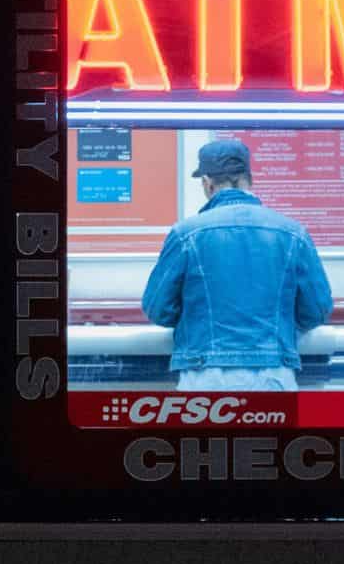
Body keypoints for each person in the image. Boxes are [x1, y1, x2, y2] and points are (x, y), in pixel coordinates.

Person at [142, 139, 333, 392]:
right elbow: (317, 310)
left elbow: (158, 309)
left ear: (207, 183)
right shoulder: (293, 233)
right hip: (274, 374)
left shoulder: (185, 233)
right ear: (249, 179)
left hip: (205, 375)